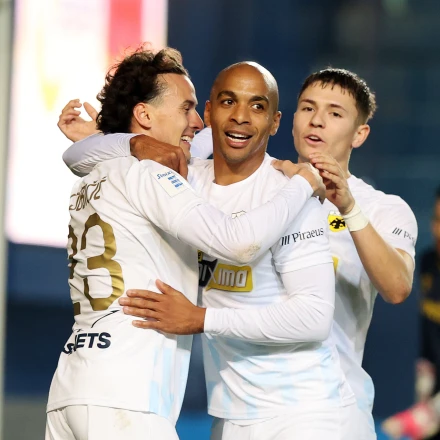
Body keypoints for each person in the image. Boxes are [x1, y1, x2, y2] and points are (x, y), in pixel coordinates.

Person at [62, 67, 418, 440]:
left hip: (312, 407)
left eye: (335, 113)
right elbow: (81, 156)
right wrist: (130, 143)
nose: (317, 121)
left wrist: (201, 318)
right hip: (232, 411)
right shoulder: (196, 178)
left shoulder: (306, 197)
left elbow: (381, 292)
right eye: (308, 108)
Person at [46, 47, 325, 440]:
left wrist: (122, 141)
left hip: (71, 388)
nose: (197, 122)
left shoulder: (93, 175)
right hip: (126, 397)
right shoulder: (151, 174)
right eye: (186, 108)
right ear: (145, 115)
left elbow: (79, 154)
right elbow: (239, 243)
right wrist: (303, 183)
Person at [381, 186, 440, 440]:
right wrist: (424, 394)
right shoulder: (427, 263)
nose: (439, 231)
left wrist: (432, 412)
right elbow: (428, 344)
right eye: (437, 220)